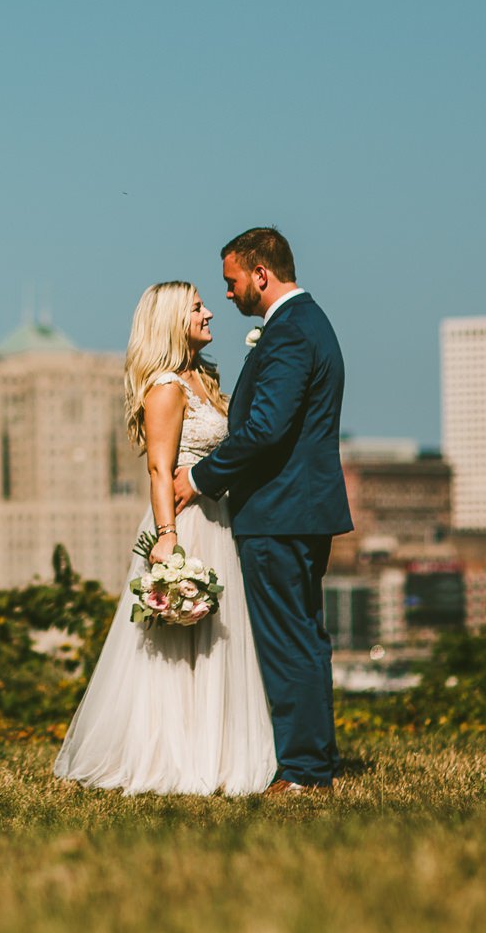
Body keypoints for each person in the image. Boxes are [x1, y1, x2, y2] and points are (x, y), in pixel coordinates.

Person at [51, 281, 276, 796]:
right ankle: (174, 754)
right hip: (185, 522)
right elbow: (159, 467)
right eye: (197, 307)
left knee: (217, 637)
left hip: (218, 515)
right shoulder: (167, 386)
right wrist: (168, 537)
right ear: (173, 320)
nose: (210, 313)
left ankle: (220, 751)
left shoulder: (205, 378)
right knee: (177, 641)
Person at [173, 227, 352, 795]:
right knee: (303, 636)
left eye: (231, 282)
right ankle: (313, 760)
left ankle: (303, 772)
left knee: (287, 640)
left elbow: (265, 430)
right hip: (300, 508)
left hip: (281, 511)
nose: (226, 295)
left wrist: (201, 477)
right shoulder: (306, 325)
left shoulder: (291, 334)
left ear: (260, 274)